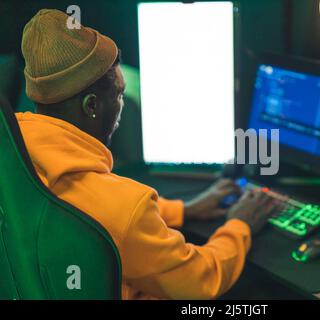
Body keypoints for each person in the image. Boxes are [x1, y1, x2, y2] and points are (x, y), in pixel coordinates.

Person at [17, 9, 280, 299]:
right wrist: (240, 223)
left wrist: (184, 210)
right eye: (118, 94)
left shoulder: (13, 156)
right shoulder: (124, 205)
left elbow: (108, 217)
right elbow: (200, 281)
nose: (121, 106)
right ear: (92, 106)